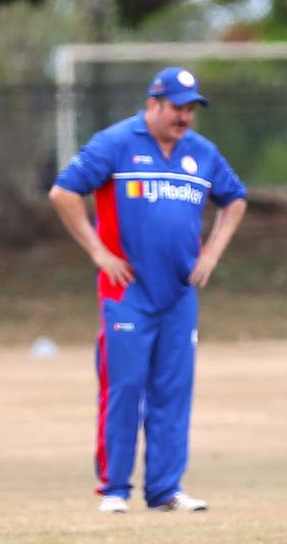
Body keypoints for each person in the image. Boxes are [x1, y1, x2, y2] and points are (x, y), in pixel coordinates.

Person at [49, 67, 247, 513]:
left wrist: (212, 253)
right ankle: (114, 488)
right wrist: (99, 253)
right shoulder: (116, 142)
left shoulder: (202, 152)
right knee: (124, 388)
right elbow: (63, 193)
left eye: (191, 109)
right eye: (177, 107)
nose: (184, 117)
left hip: (179, 294)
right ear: (153, 104)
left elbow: (234, 199)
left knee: (174, 391)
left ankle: (165, 489)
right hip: (127, 292)